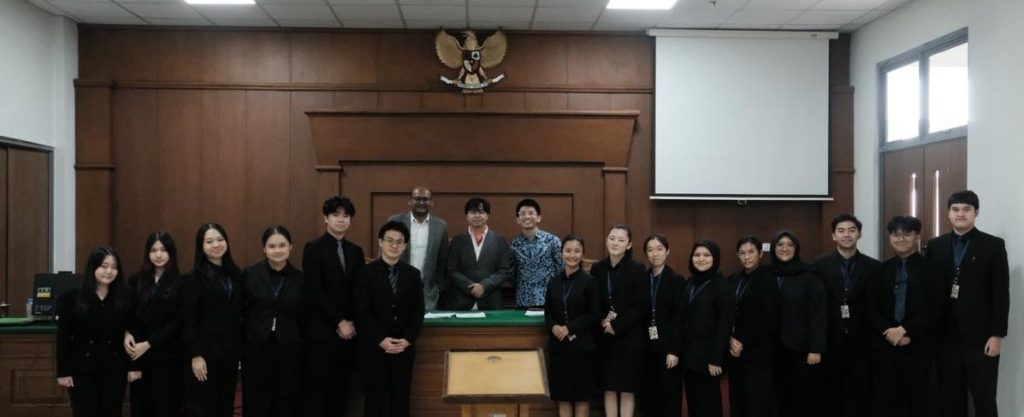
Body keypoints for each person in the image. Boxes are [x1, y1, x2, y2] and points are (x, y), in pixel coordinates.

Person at [928, 190, 1009, 417]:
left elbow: (1001, 294)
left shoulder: (993, 245)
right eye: (955, 209)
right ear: (948, 213)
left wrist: (997, 334)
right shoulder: (935, 246)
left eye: (966, 209)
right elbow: (930, 291)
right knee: (950, 398)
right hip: (945, 337)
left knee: (984, 398)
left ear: (976, 212)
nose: (960, 214)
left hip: (982, 338)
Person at [868, 216, 944, 417]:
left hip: (918, 346)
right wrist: (889, 332)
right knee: (886, 403)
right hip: (885, 347)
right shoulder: (880, 269)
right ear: (890, 237)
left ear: (917, 236)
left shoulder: (932, 269)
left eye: (906, 234)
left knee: (917, 402)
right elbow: (872, 307)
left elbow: (935, 307)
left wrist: (905, 330)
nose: (900, 239)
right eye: (896, 234)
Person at [354, 221, 425, 417]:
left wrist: (408, 339)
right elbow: (361, 311)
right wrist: (380, 339)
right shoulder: (366, 273)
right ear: (380, 242)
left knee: (401, 401)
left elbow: (418, 310)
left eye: (399, 242)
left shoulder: (413, 274)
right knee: (374, 401)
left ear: (405, 245)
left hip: (404, 348)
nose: (394, 245)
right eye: (390, 240)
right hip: (374, 347)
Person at [302, 196, 366, 417]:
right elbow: (315, 290)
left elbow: (359, 291)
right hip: (322, 330)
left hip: (350, 333)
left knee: (342, 389)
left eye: (346, 215)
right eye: (336, 215)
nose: (341, 219)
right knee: (319, 390)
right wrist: (339, 321)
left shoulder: (356, 251)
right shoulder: (313, 248)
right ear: (326, 218)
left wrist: (351, 322)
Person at [813, 213, 881, 417]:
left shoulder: (874, 267)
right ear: (833, 236)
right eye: (841, 231)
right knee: (829, 395)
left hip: (862, 341)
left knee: (859, 395)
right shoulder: (819, 265)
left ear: (859, 234)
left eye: (852, 230)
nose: (847, 235)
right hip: (830, 340)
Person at [56, 246, 137, 417]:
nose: (109, 271)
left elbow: (135, 329)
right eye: (104, 266)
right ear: (93, 267)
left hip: (115, 367)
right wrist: (63, 372)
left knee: (112, 412)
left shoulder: (127, 295)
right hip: (82, 368)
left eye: (114, 267)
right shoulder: (72, 297)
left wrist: (134, 366)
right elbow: (63, 338)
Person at [241, 226, 306, 417]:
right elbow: (241, 309)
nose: (277, 250)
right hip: (256, 345)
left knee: (286, 396)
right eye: (271, 246)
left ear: (290, 247)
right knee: (256, 396)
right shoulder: (250, 274)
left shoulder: (301, 278)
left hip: (289, 346)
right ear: (264, 249)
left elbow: (305, 313)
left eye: (282, 245)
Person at [180, 223, 243, 417]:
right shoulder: (192, 278)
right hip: (204, 355)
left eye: (220, 239)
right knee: (202, 407)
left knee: (225, 405)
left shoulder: (236, 274)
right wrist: (196, 354)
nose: (216, 245)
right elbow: (188, 319)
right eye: (209, 241)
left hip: (229, 353)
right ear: (201, 246)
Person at [125, 232, 185, 417]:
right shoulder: (136, 280)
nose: (158, 255)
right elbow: (129, 314)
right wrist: (127, 333)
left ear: (171, 253)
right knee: (141, 407)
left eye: (163, 250)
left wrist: (149, 343)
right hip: (139, 356)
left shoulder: (182, 282)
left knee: (166, 407)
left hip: (168, 356)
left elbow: (178, 322)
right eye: (153, 250)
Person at [769, 229, 826, 417]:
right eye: (780, 244)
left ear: (796, 248)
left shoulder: (809, 275)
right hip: (771, 348)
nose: (784, 248)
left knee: (802, 396)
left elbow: (818, 314)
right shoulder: (767, 274)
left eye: (790, 245)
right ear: (773, 248)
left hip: (801, 348)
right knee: (777, 395)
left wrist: (816, 349)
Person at [591, 224, 646, 417]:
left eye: (621, 240)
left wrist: (616, 325)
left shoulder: (637, 269)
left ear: (629, 245)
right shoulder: (597, 268)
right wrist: (603, 321)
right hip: (605, 337)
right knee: (609, 388)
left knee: (627, 389)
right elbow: (594, 301)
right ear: (606, 240)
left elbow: (641, 305)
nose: (615, 243)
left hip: (629, 337)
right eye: (612, 238)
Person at [544, 234, 601, 417]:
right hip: (559, 347)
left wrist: (570, 328)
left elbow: (595, 314)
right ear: (561, 253)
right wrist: (554, 327)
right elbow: (547, 313)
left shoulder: (590, 281)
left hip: (582, 348)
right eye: (568, 251)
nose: (572, 255)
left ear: (583, 254)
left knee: (581, 397)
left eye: (577, 251)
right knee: (563, 396)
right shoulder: (554, 281)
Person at [728, 235, 779, 417]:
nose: (746, 257)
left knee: (756, 400)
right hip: (734, 349)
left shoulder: (768, 280)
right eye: (742, 253)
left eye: (751, 252)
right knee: (738, 397)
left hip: (758, 350)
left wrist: (742, 341)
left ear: (760, 254)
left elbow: (768, 318)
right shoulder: (733, 279)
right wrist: (731, 339)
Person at [681, 239, 733, 417]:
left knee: (708, 403)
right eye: (697, 255)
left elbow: (724, 325)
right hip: (690, 354)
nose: (701, 259)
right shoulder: (689, 283)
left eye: (706, 255)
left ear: (715, 258)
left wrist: (716, 359)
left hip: (709, 356)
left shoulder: (722, 286)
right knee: (693, 401)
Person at [639, 235, 683, 417]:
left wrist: (675, 350)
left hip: (668, 348)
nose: (655, 254)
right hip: (646, 346)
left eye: (659, 249)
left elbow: (679, 318)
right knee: (649, 395)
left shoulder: (676, 280)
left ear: (667, 251)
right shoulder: (642, 278)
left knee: (669, 394)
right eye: (650, 250)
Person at [387, 186, 449, 311]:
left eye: (425, 199)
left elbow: (443, 260)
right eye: (417, 199)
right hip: (396, 287)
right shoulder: (395, 221)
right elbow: (385, 253)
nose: (421, 202)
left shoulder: (441, 226)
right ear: (410, 201)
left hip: (429, 292)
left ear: (431, 202)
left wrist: (438, 288)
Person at [447, 197, 513, 310]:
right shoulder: (457, 241)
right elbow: (451, 270)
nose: (477, 216)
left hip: (491, 301)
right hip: (462, 301)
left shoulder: (499, 240)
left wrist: (484, 286)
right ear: (467, 216)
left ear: (487, 216)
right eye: (473, 212)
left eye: (481, 212)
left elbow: (505, 270)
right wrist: (470, 287)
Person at [510, 198, 564, 308]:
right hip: (523, 300)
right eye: (522, 214)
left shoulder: (552, 241)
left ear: (538, 217)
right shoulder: (514, 245)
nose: (527, 217)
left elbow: (561, 268)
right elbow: (512, 274)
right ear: (518, 219)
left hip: (550, 299)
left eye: (531, 213)